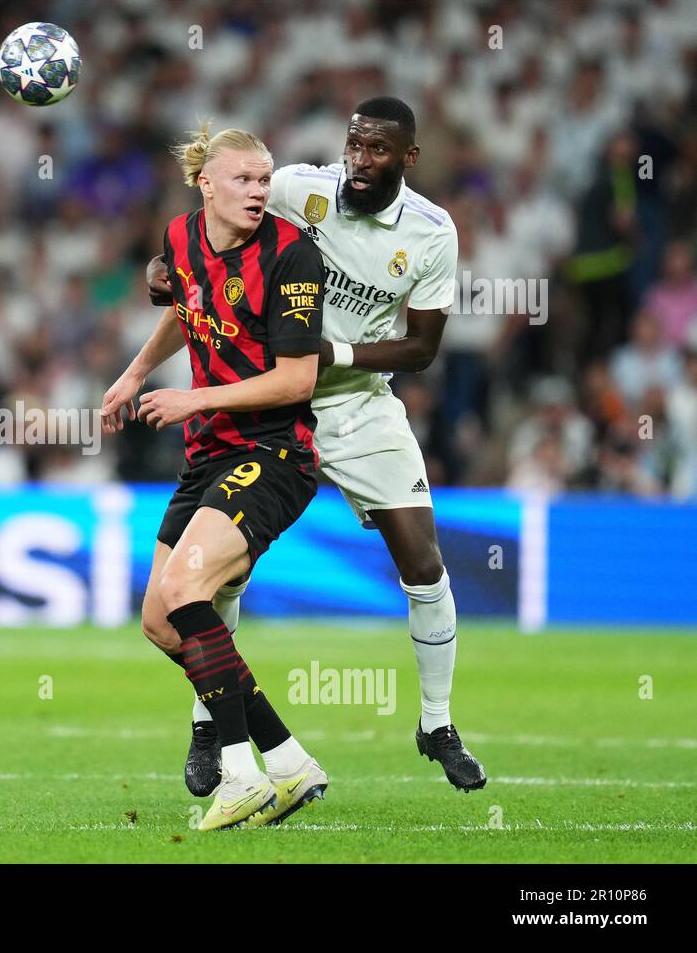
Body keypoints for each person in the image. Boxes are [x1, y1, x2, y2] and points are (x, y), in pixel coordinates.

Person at [147, 97, 487, 793]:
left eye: (377, 151)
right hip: (267, 407)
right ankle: (210, 724)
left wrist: (324, 351)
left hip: (358, 403)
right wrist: (163, 271)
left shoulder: (431, 232)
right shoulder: (300, 189)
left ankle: (437, 723)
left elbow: (421, 348)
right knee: (219, 576)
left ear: (408, 158)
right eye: (354, 146)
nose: (359, 162)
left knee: (423, 563)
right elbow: (214, 255)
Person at [101, 124, 327, 830]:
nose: (259, 191)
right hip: (210, 454)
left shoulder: (293, 256)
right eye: (243, 180)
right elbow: (185, 304)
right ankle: (287, 762)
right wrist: (137, 370)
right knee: (160, 624)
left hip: (276, 454)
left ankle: (240, 774)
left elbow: (296, 379)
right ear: (206, 185)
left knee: (183, 589)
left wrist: (191, 397)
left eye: (264, 180)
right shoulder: (181, 237)